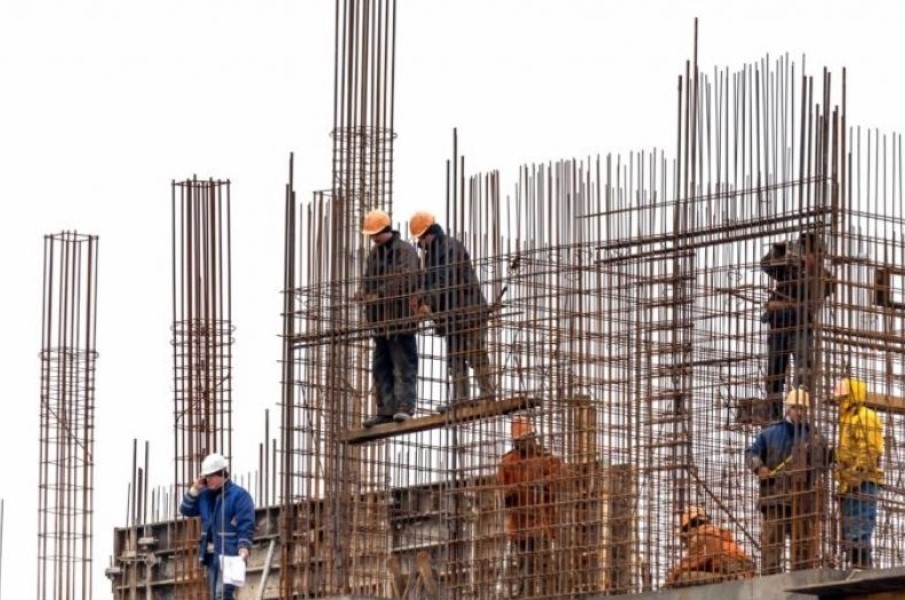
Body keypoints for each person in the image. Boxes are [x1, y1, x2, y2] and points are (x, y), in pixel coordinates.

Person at [409, 212, 495, 412]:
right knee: (455, 357)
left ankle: (486, 394)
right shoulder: (432, 255)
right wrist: (420, 298)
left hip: (469, 309)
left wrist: (428, 303)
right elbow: (430, 282)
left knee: (475, 352)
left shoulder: (450, 248)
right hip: (450, 316)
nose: (419, 244)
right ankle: (461, 399)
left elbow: (445, 280)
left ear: (428, 234)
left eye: (420, 239)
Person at [745, 388, 829, 574]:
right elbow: (751, 453)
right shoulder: (770, 433)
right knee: (772, 544)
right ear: (788, 409)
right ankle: (770, 582)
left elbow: (825, 460)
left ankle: (801, 581)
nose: (799, 412)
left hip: (803, 500)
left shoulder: (814, 436)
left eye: (803, 409)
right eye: (796, 408)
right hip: (775, 498)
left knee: (803, 547)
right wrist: (759, 468)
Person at [754, 231, 834, 422]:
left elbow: (819, 295)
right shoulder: (789, 269)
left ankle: (799, 412)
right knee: (775, 372)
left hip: (801, 325)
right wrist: (777, 251)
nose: (805, 255)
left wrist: (812, 270)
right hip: (779, 323)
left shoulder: (824, 278)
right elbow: (766, 265)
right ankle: (774, 415)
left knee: (803, 369)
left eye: (810, 252)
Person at [358, 208, 422, 427]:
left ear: (384, 230)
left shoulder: (405, 251)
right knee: (380, 366)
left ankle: (405, 406)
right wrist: (364, 294)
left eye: (374, 234)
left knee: (404, 364)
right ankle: (385, 410)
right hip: (380, 322)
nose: (373, 239)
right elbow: (368, 280)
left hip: (401, 319)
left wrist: (381, 293)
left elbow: (407, 279)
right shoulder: (374, 255)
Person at [498, 415, 565, 598]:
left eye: (528, 439)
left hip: (540, 523)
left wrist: (542, 483)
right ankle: (525, 596)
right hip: (519, 526)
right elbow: (501, 491)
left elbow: (560, 477)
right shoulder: (508, 462)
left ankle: (547, 595)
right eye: (520, 441)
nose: (525, 444)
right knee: (524, 569)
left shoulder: (545, 458)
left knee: (544, 567)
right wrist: (511, 493)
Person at [179, 452, 255, 600]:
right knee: (215, 595)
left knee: (222, 594)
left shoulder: (239, 496)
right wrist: (195, 489)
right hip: (211, 555)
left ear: (222, 474)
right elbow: (185, 509)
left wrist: (244, 547)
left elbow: (246, 524)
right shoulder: (204, 496)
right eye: (206, 477)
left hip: (230, 554)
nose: (208, 480)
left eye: (211, 476)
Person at [832, 376, 884, 569]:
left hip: (863, 481)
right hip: (849, 484)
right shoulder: (846, 420)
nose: (838, 401)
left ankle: (862, 566)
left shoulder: (864, 416)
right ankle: (857, 564)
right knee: (850, 529)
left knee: (860, 526)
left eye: (841, 397)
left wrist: (858, 474)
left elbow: (870, 450)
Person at [664, 506, 755, 588]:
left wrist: (672, 575)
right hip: (742, 573)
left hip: (731, 575)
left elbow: (693, 562)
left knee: (683, 578)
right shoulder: (716, 533)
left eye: (685, 529)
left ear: (691, 525)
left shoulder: (702, 535)